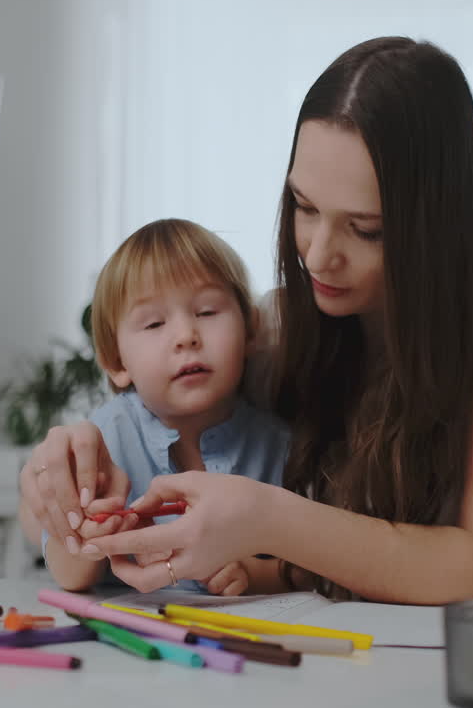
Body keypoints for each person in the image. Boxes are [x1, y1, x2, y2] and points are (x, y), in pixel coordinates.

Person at [20, 37, 473, 608]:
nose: (317, 256)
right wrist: (53, 485)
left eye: (366, 228)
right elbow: (120, 450)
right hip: (379, 651)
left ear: (436, 226)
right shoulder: (276, 331)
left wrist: (267, 519)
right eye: (304, 207)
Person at [21, 218, 290, 594]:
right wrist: (87, 532)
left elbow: (314, 564)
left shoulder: (279, 442)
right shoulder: (103, 439)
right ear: (116, 362)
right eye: (153, 324)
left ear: (250, 328)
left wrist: (254, 573)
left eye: (207, 312)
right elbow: (72, 577)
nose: (186, 336)